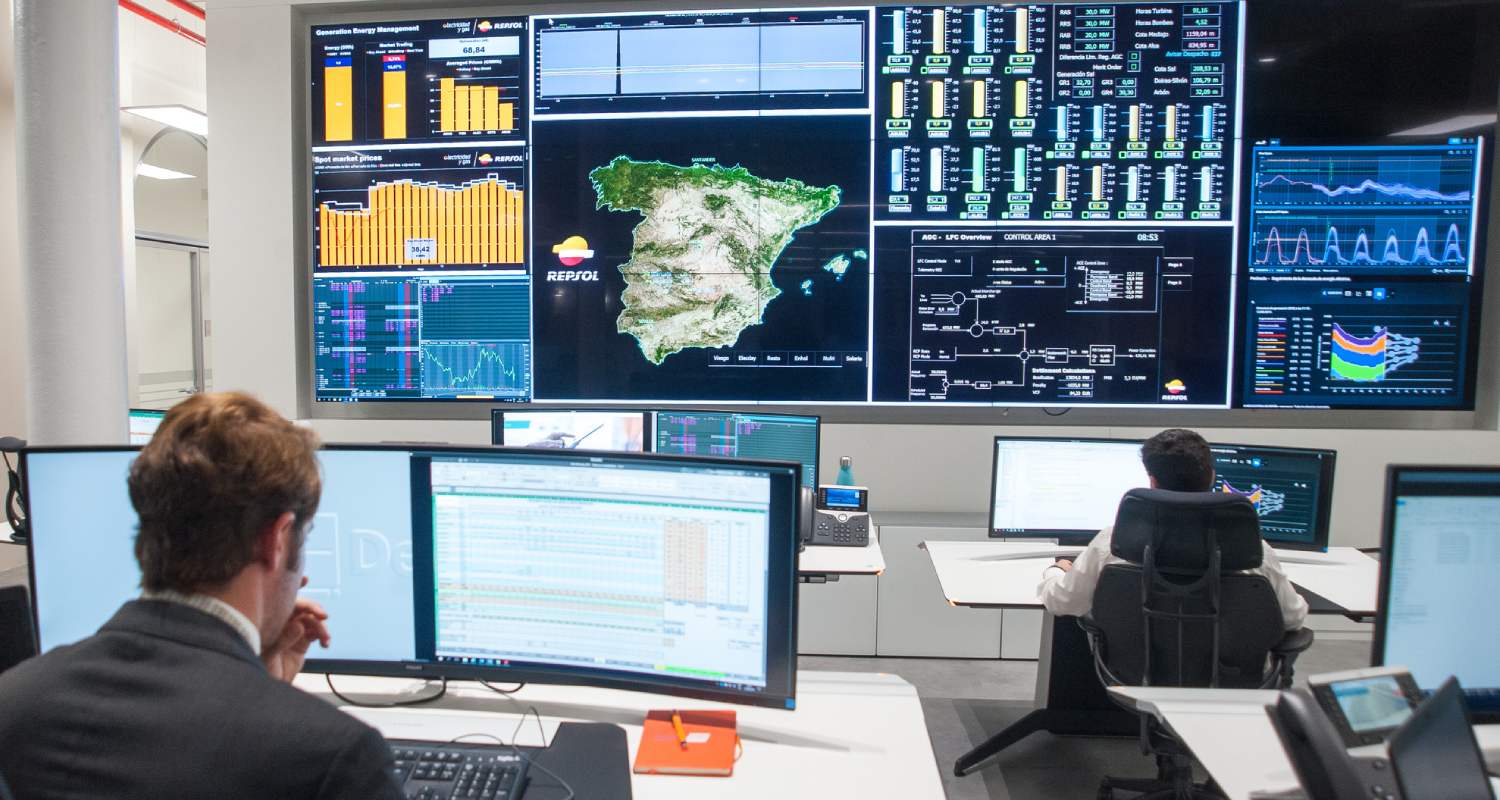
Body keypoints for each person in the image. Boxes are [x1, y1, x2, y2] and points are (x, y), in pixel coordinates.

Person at [0, 392, 403, 800]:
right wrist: (266, 699)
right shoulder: (332, 757)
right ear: (277, 540)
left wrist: (257, 680)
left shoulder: (14, 702)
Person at [1037, 428, 1309, 630]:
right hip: (1229, 677)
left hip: (1132, 675)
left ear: (1152, 482)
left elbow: (1064, 603)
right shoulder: (1251, 549)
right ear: (1212, 477)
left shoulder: (1114, 542)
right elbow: (1292, 618)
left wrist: (1055, 572)